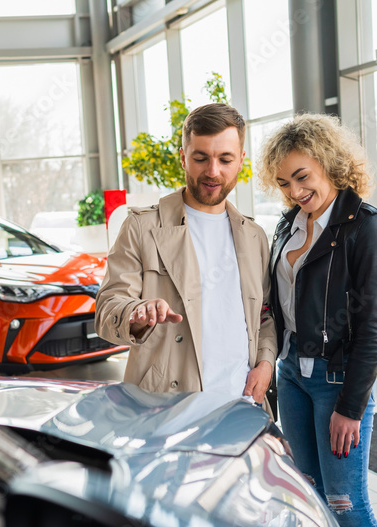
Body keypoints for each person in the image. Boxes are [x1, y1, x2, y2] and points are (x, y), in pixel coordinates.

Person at [259, 114, 377, 527]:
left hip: (338, 384)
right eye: (285, 182)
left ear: (329, 163)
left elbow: (375, 329)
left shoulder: (362, 227)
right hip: (291, 377)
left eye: (302, 176)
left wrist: (351, 407)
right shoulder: (287, 226)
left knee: (348, 505)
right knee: (311, 503)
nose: (296, 191)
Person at [95, 103, 276, 409]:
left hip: (243, 406)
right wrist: (137, 313)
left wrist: (266, 363)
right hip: (166, 407)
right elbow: (106, 310)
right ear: (183, 157)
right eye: (200, 158)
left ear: (241, 161)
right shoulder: (141, 227)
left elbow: (266, 315)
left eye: (225, 159)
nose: (213, 171)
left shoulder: (254, 236)